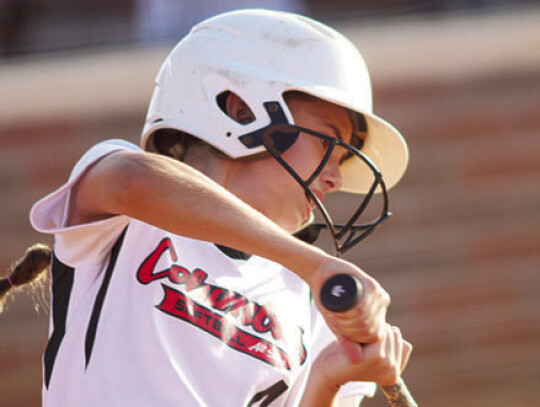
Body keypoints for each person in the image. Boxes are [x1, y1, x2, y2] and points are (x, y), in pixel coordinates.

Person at [1, 9, 412, 407]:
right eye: (328, 143)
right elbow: (132, 181)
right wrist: (314, 265)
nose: (336, 180)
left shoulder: (311, 306)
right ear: (242, 111)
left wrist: (326, 379)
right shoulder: (131, 212)